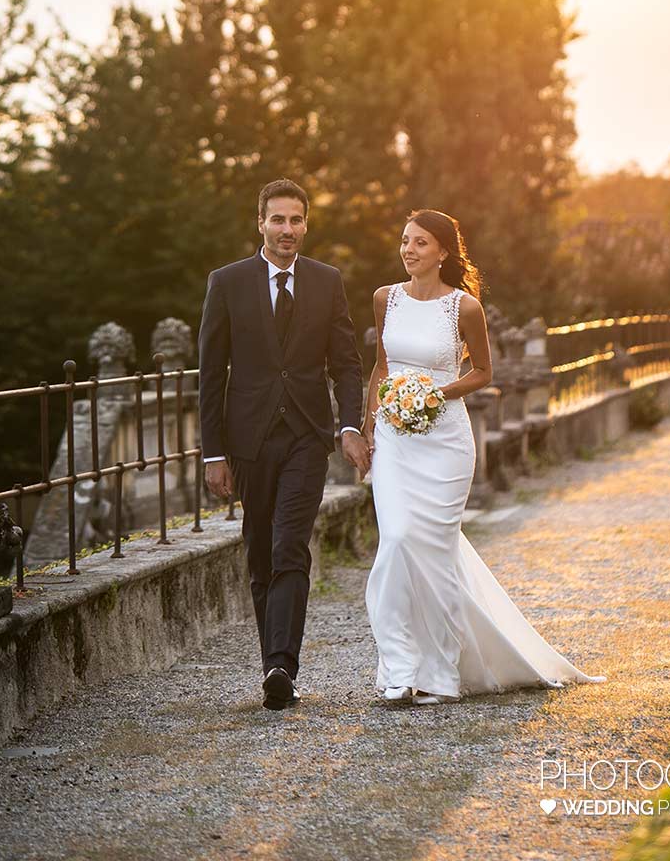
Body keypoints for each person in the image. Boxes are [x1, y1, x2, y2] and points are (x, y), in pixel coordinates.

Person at [363, 208, 606, 703]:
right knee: (398, 540)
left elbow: (484, 373)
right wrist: (369, 423)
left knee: (433, 550)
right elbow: (381, 365)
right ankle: (398, 667)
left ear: (444, 253)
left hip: (445, 440)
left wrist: (436, 395)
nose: (409, 250)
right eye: (405, 241)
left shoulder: (464, 307)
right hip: (393, 438)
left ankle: (438, 674)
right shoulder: (384, 299)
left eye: (421, 243)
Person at [198, 179, 369, 709]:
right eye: (278, 220)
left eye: (296, 220)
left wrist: (348, 426)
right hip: (248, 440)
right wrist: (213, 453)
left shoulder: (326, 281)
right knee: (259, 552)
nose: (287, 230)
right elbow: (210, 372)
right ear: (261, 223)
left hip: (305, 437)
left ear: (305, 224)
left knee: (290, 543)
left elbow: (345, 362)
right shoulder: (227, 283)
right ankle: (272, 657)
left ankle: (280, 667)